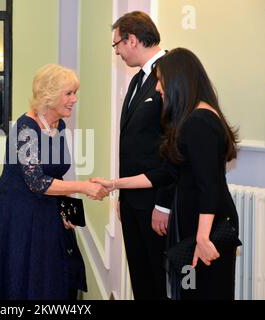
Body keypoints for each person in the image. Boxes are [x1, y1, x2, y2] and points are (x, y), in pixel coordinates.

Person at [92, 48, 240, 300]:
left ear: (178, 80)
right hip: (194, 228)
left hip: (204, 230)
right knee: (189, 291)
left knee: (200, 292)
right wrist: (114, 183)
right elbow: (163, 173)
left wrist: (202, 239)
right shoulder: (193, 118)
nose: (158, 87)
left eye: (161, 80)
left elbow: (209, 186)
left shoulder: (199, 121)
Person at [0, 64, 109, 300]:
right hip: (15, 217)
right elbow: (37, 181)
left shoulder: (59, 125)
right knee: (19, 282)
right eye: (69, 93)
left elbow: (55, 173)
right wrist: (84, 187)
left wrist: (64, 208)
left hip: (46, 213)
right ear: (49, 95)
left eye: (75, 92)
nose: (74, 99)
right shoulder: (26, 128)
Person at [111, 11, 173, 299]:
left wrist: (164, 204)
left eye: (118, 45)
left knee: (158, 281)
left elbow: (175, 145)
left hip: (155, 202)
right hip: (133, 201)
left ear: (132, 40)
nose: (118, 52)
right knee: (141, 278)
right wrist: (123, 198)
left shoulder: (171, 73)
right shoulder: (138, 80)